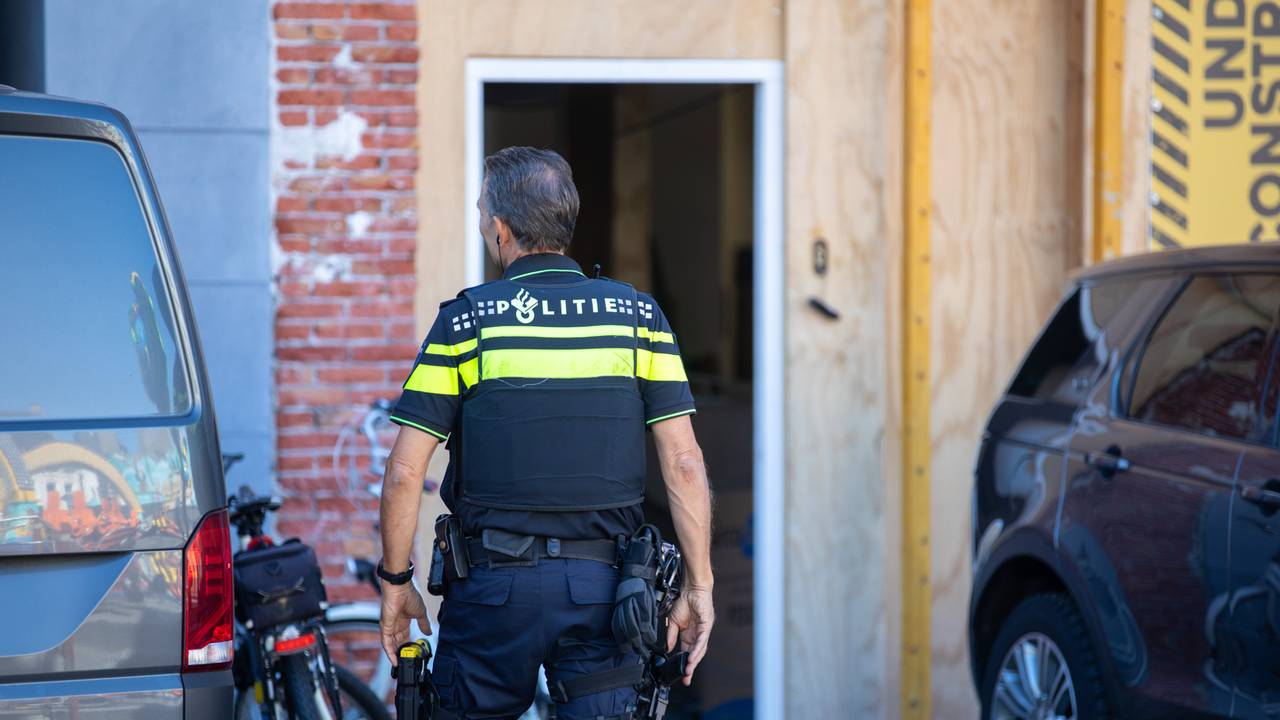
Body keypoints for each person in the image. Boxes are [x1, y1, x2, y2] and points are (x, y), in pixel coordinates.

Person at [376, 146, 715, 719]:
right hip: (608, 595)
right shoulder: (639, 318)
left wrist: (395, 581)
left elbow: (407, 470)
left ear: (502, 229)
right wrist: (699, 585)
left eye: (483, 211)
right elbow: (683, 464)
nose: (483, 222)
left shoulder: (466, 321)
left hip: (490, 597)